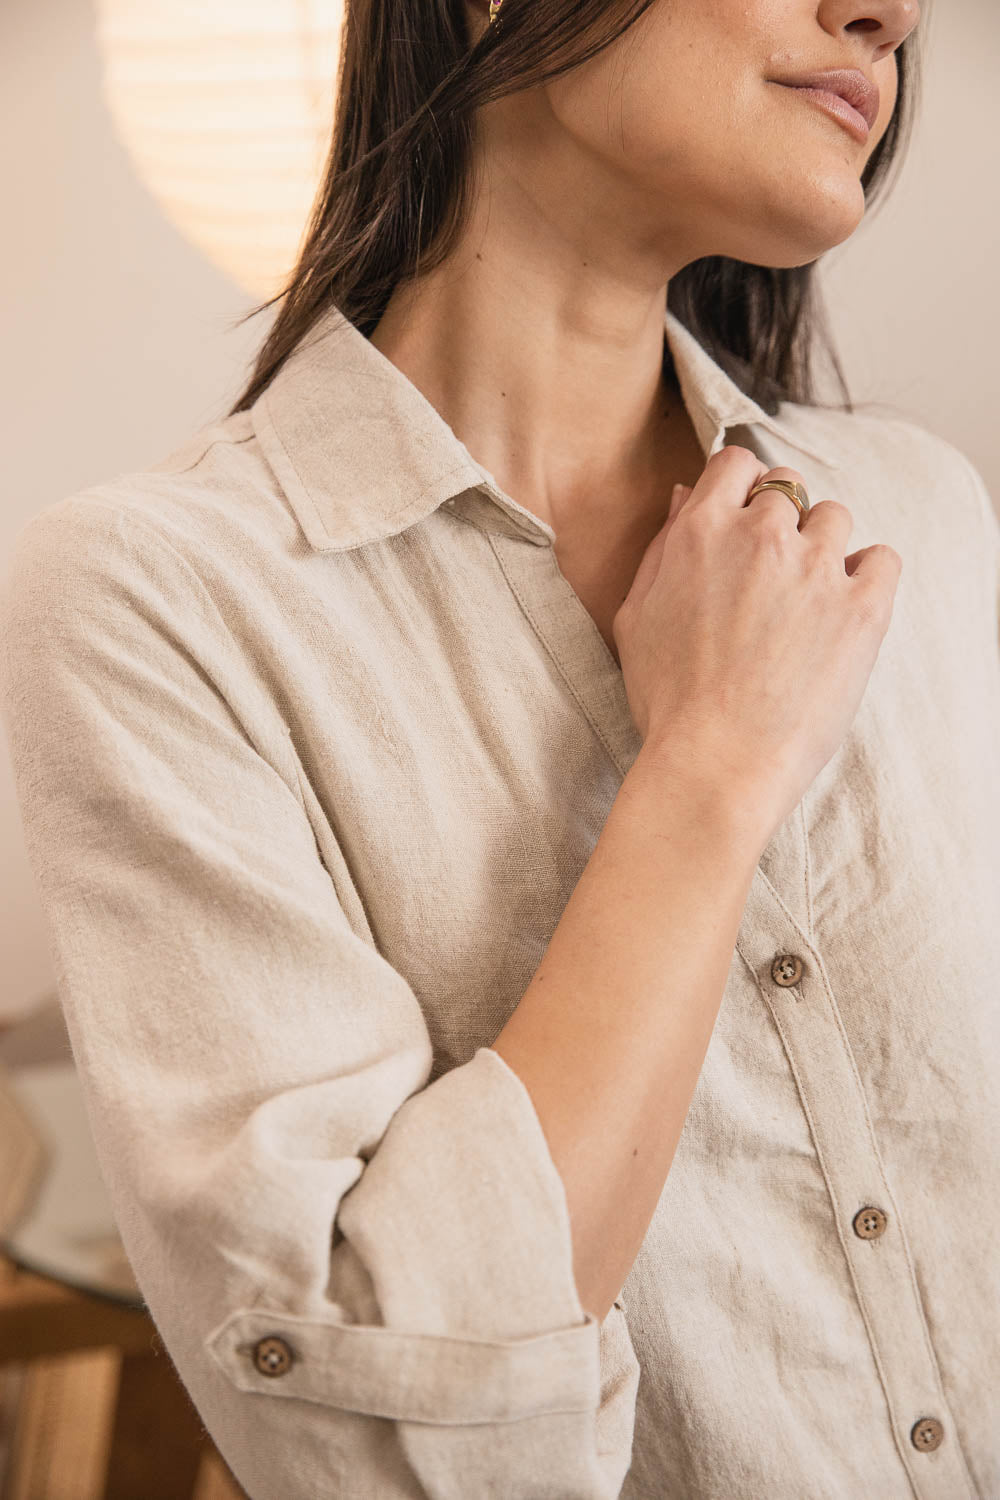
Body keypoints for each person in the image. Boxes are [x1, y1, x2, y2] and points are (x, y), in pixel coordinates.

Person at [2, 0, 998, 1494]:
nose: (892, 12)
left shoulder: (922, 513)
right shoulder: (159, 602)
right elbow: (371, 1442)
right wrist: (706, 776)